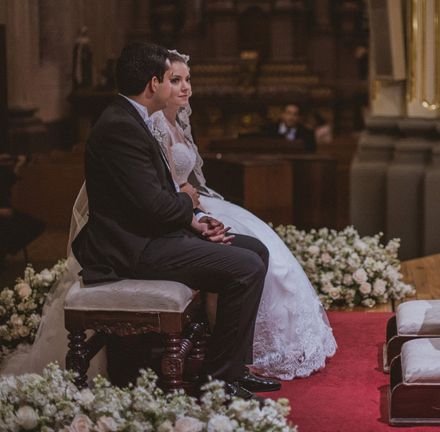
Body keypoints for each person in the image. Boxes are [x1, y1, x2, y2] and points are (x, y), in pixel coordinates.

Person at [0, 43, 277, 400]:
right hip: (132, 250)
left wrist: (196, 222)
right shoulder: (119, 127)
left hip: (153, 236)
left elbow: (150, 201)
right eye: (168, 78)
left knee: (255, 249)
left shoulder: (132, 119)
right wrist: (187, 201)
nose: (175, 87)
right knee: (245, 267)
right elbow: (153, 207)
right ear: (153, 83)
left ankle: (234, 368)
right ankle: (219, 380)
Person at [148, 51, 337, 380]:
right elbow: (167, 185)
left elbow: (189, 180)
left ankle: (240, 357)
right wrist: (193, 210)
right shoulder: (155, 126)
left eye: (188, 79)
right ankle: (227, 360)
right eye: (175, 80)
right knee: (243, 252)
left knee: (267, 249)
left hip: (194, 204)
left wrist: (196, 201)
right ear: (158, 83)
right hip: (180, 211)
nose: (185, 87)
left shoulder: (177, 123)